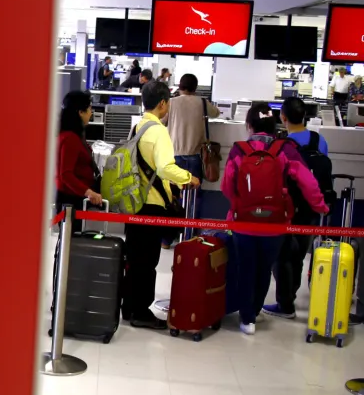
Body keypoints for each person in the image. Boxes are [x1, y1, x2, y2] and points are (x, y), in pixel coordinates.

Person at [221, 102, 328, 335]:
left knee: (246, 268)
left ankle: (246, 317)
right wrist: (321, 206)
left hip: (243, 223)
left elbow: (227, 185)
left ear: (249, 125)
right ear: (274, 124)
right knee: (264, 268)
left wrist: (239, 205)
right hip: (275, 224)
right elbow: (307, 182)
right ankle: (255, 310)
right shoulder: (286, 149)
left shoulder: (239, 149)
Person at [121, 81, 199, 329]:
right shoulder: (158, 131)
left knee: (134, 259)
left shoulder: (138, 126)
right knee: (147, 261)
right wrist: (188, 177)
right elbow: (165, 168)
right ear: (163, 103)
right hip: (151, 204)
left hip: (134, 202)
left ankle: (129, 307)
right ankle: (141, 313)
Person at [262, 98, 331, 319]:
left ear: (282, 117)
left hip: (287, 209)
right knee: (300, 255)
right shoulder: (320, 141)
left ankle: (285, 304)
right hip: (311, 208)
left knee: (282, 256)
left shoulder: (281, 145)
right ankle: (289, 296)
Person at [163, 74, 220, 248]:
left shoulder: (171, 103)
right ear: (196, 87)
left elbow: (162, 120)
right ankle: (188, 237)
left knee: (172, 197)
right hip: (195, 156)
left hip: (175, 156)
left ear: (180, 85)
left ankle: (166, 239)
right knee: (194, 198)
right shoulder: (202, 102)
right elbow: (216, 113)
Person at [55, 91, 103, 233]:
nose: (91, 112)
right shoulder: (70, 139)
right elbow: (66, 174)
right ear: (80, 112)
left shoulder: (72, 135)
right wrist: (89, 192)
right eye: (89, 109)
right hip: (70, 200)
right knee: (70, 243)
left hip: (73, 198)